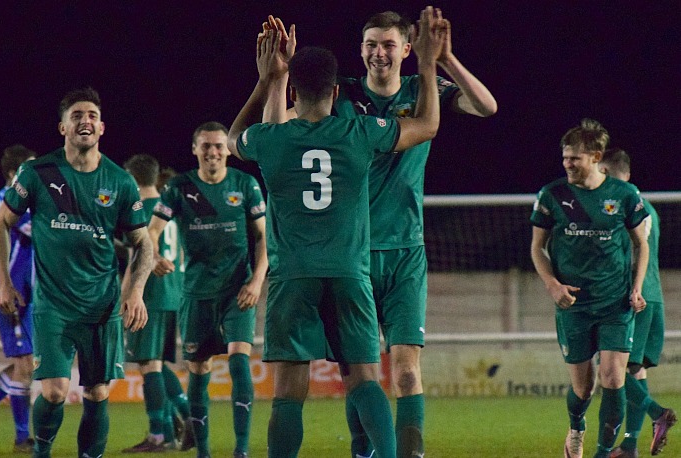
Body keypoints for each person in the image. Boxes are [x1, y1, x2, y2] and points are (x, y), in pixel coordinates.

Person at [262, 8, 497, 456]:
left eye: (389, 44)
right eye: (370, 44)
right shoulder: (345, 96)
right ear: (361, 50)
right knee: (360, 368)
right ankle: (363, 449)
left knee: (404, 370)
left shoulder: (422, 89)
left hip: (406, 250)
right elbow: (288, 125)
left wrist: (444, 60)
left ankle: (410, 453)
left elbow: (486, 106)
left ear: (408, 49)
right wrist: (280, 82)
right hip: (355, 253)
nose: (379, 53)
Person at [227, 7, 444, 456]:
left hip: (292, 275)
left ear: (293, 88)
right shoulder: (358, 132)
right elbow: (426, 126)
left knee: (288, 390)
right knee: (364, 379)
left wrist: (267, 77)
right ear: (335, 88)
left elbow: (235, 139)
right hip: (349, 271)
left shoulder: (271, 139)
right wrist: (425, 63)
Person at [0, 87, 152, 458]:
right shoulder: (37, 172)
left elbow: (144, 243)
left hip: (101, 305)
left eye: (92, 115)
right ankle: (41, 451)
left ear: (102, 127)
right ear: (62, 127)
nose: (85, 120)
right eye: (77, 115)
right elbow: (0, 225)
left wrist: (136, 291)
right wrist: (3, 282)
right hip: (53, 306)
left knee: (97, 392)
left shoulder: (120, 181)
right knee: (54, 391)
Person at [530, 119, 649, 458]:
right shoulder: (552, 195)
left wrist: (637, 288)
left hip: (615, 304)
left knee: (613, 379)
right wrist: (552, 285)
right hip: (574, 306)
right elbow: (537, 247)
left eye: (575, 158)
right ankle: (577, 427)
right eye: (565, 158)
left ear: (596, 157)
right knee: (583, 388)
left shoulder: (624, 195)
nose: (567, 164)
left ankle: (601, 452)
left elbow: (642, 244)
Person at [149, 121, 268, 458]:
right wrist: (155, 256)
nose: (213, 152)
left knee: (239, 360)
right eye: (207, 146)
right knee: (198, 370)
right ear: (195, 149)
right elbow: (151, 232)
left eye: (219, 146)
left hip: (238, 291)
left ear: (228, 150)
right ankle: (203, 452)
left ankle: (241, 450)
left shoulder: (245, 185)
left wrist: (257, 280)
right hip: (197, 293)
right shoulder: (178, 187)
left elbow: (264, 236)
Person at [598, 148, 677, 458]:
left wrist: (633, 290)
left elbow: (634, 253)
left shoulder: (624, 206)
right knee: (635, 370)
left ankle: (657, 412)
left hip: (635, 297)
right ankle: (630, 446)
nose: (602, 179)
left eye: (604, 172)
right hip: (652, 296)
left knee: (606, 367)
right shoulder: (649, 208)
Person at [120, 154, 194, 453]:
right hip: (174, 294)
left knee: (148, 364)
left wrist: (124, 297)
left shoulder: (140, 211)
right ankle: (187, 420)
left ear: (131, 179)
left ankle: (159, 435)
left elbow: (135, 258)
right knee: (158, 364)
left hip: (148, 296)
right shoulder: (170, 210)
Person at [0, 144, 36, 453]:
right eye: (30, 169)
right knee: (24, 364)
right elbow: (41, 232)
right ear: (15, 174)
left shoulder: (25, 204)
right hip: (10, 293)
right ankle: (21, 438)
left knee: (23, 365)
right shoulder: (4, 202)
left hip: (28, 294)